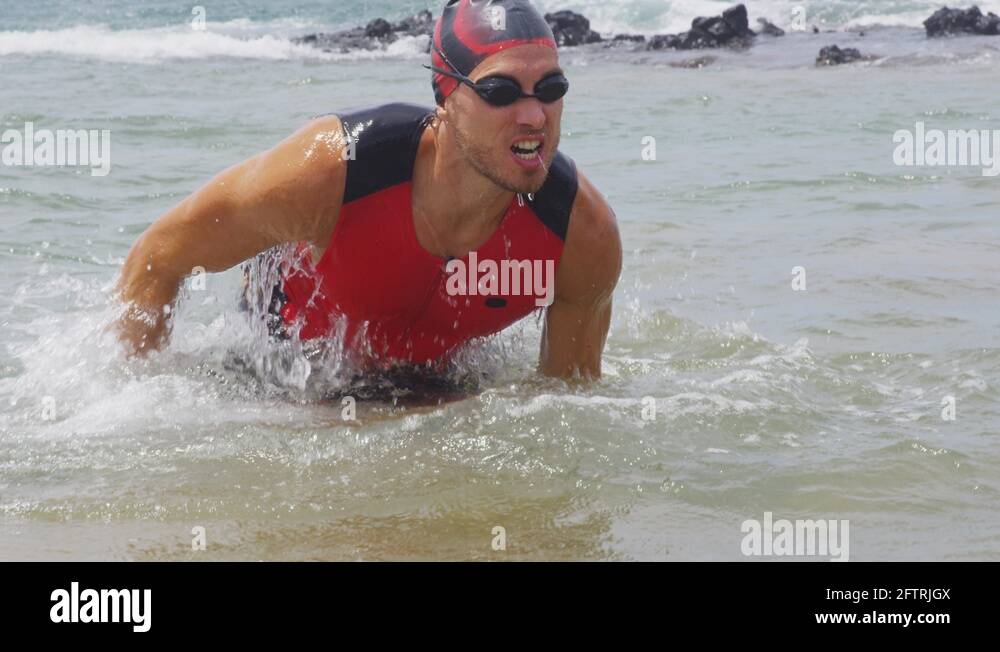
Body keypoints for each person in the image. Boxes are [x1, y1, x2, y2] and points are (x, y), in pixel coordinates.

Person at [115, 0, 621, 380]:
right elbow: (158, 257)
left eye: (551, 89)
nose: (534, 115)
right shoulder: (333, 170)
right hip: (283, 375)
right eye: (500, 91)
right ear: (444, 95)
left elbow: (565, 408)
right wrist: (139, 401)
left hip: (436, 389)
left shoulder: (579, 233)